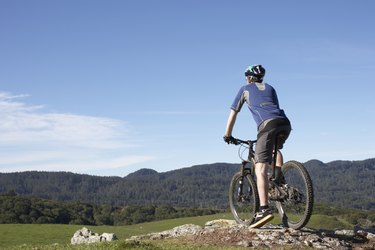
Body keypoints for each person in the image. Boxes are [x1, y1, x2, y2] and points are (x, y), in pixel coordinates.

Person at [223, 64, 292, 228]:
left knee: (260, 169)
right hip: (284, 123)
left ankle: (264, 210)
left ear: (249, 77)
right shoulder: (271, 88)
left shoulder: (245, 89)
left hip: (266, 125)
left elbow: (233, 112)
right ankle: (278, 178)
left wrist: (228, 134)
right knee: (276, 150)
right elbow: (273, 108)